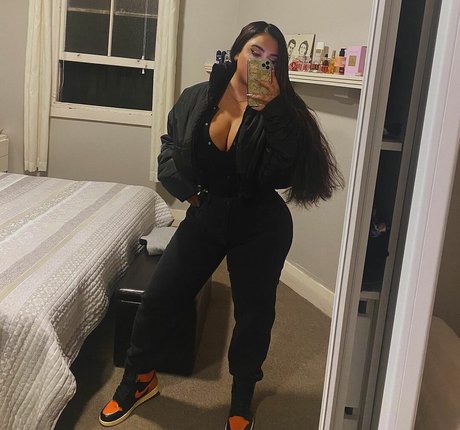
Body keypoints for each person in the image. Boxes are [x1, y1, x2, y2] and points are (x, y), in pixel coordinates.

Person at [99, 21, 343, 430]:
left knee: (253, 316)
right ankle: (138, 380)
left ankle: (241, 398)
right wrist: (188, 192)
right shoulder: (199, 97)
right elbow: (172, 147)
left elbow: (283, 173)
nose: (262, 63)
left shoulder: (284, 111)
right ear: (235, 54)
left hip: (260, 224)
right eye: (255, 53)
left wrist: (275, 111)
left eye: (273, 59)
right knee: (159, 297)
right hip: (207, 214)